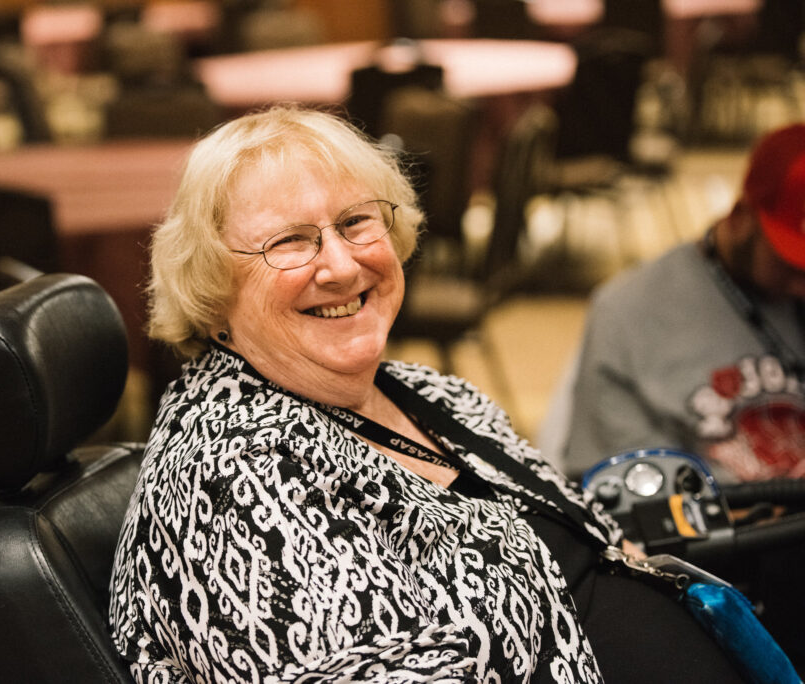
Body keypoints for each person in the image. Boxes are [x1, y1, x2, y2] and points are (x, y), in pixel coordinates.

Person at [108, 105, 748, 682]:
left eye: (356, 222)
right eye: (290, 241)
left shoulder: (426, 392)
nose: (339, 265)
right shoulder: (229, 480)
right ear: (212, 288)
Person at [561, 123, 805, 482]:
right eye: (789, 263)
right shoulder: (629, 312)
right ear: (740, 218)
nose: (801, 286)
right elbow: (616, 487)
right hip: (723, 528)